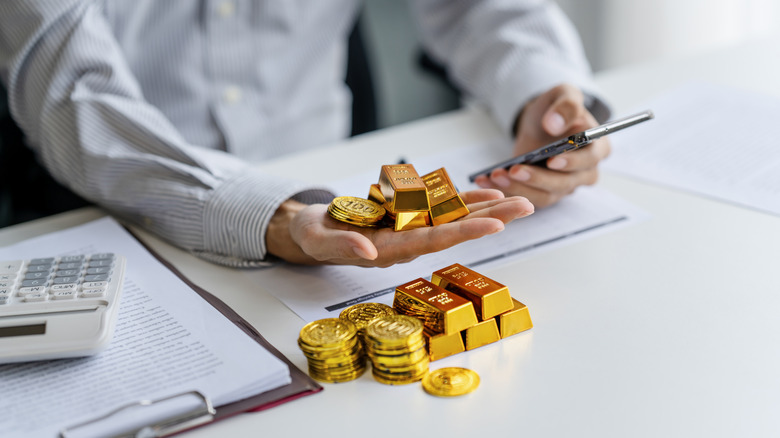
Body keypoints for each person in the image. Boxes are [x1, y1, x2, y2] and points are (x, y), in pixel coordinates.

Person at [0, 1, 610, 268]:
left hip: (330, 171)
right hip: (110, 202)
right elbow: (73, 92)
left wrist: (542, 92)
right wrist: (270, 216)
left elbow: (477, 7)